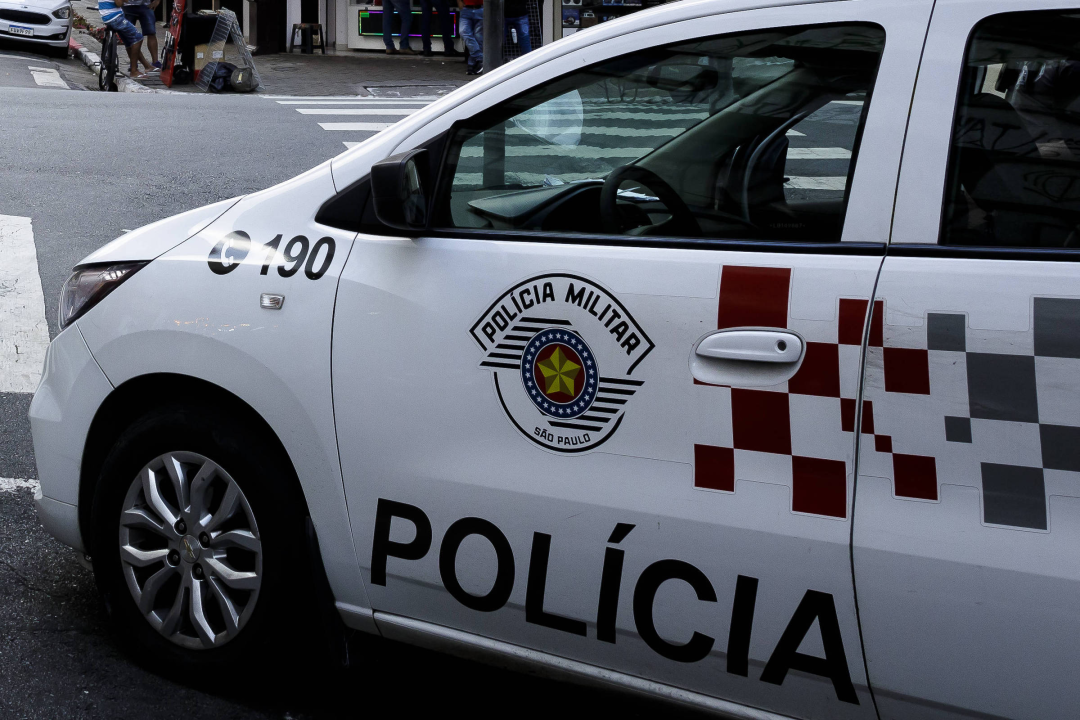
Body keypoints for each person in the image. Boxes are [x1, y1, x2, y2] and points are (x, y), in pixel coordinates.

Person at [98, 0, 155, 78]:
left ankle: (147, 66)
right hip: (115, 17)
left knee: (129, 41)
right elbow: (119, 3)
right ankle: (134, 71)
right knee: (138, 38)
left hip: (107, 16)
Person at [122, 0, 161, 69]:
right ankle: (133, 64)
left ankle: (155, 62)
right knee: (128, 36)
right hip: (127, 6)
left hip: (146, 5)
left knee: (151, 33)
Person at [456, 0, 482, 75]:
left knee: (478, 37)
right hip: (467, 8)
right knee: (464, 32)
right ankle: (480, 58)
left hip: (480, 8)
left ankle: (472, 64)